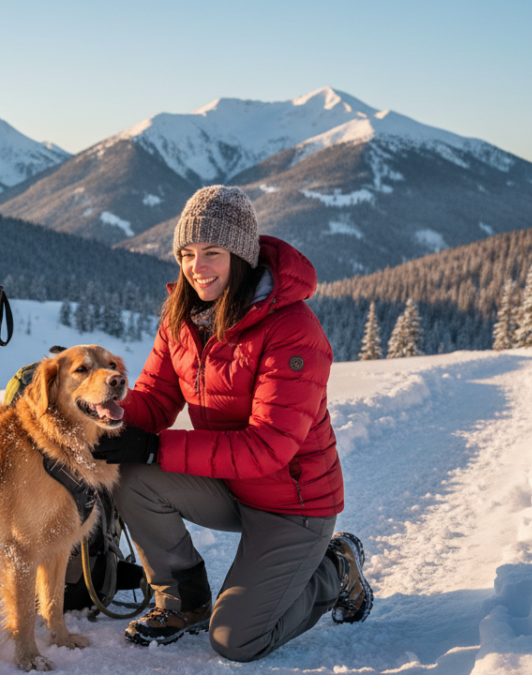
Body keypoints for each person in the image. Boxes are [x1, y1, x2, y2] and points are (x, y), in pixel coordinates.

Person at [91, 185, 371, 661]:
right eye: (187, 253)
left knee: (237, 641)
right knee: (132, 475)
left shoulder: (291, 329)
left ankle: (334, 569)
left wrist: (157, 448)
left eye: (212, 253)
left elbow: (268, 447)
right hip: (229, 484)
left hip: (293, 505)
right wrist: (108, 411)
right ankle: (184, 600)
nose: (196, 267)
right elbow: (157, 400)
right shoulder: (183, 316)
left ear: (240, 255)